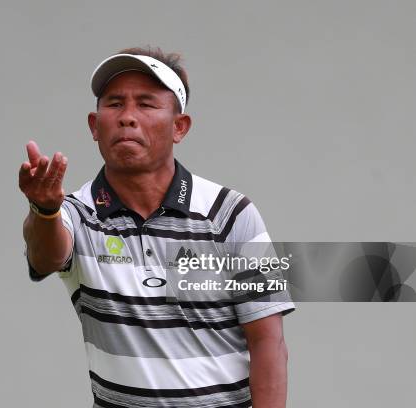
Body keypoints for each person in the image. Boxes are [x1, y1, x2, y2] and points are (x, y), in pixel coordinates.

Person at [19, 46, 295, 408]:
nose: (127, 117)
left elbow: (268, 342)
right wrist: (44, 209)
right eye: (115, 103)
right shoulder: (76, 213)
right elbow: (46, 256)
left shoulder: (231, 213)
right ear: (94, 125)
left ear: (179, 127)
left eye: (146, 104)